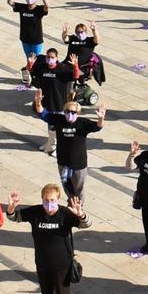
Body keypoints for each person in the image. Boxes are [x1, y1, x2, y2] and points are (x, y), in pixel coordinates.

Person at [6, 183, 84, 294]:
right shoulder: (35, 212)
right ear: (42, 200)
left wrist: (80, 214)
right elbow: (15, 217)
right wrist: (11, 208)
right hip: (42, 263)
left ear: (58, 199)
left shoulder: (64, 214)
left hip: (62, 264)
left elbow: (85, 224)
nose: (49, 204)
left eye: (53, 200)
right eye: (46, 200)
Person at [32, 92, 102, 226]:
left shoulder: (82, 123)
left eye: (74, 112)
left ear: (78, 113)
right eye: (68, 112)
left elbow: (97, 128)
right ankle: (71, 204)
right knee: (67, 186)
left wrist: (100, 118)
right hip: (63, 162)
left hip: (79, 163)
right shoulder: (59, 120)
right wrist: (38, 102)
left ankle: (79, 209)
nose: (71, 114)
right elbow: (43, 113)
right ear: (64, 112)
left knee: (79, 187)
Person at [9, 0, 49, 70]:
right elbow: (10, 2)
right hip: (25, 38)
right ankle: (29, 72)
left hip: (36, 40)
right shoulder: (22, 7)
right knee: (28, 58)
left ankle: (37, 73)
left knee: (37, 59)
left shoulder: (39, 9)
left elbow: (47, 6)